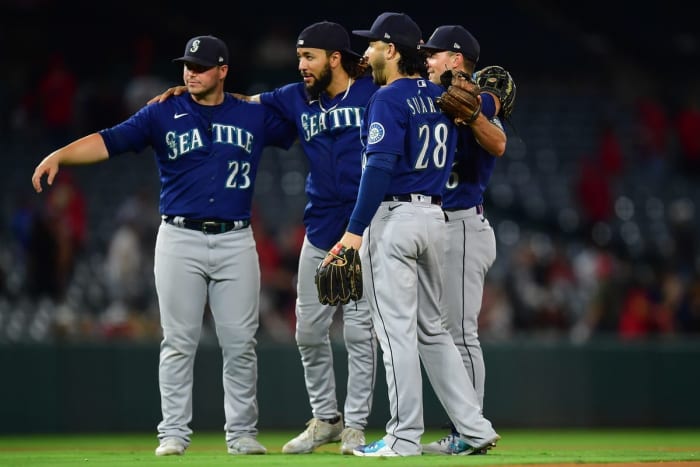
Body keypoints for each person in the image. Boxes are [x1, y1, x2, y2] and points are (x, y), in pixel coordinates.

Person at [31, 35, 296, 457]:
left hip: (235, 239)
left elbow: (302, 113)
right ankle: (172, 432)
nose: (191, 72)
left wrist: (253, 97)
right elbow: (108, 140)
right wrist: (61, 154)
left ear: (223, 70)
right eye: (187, 65)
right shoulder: (163, 112)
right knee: (177, 340)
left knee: (240, 342)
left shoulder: (253, 115)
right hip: (179, 237)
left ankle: (242, 433)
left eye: (202, 66)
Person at [149, 21, 379, 455]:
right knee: (308, 332)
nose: (300, 65)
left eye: (308, 56)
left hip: (364, 231)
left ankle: (356, 425)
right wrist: (189, 93)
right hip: (320, 231)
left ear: (334, 58)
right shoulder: (294, 96)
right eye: (299, 57)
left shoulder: (373, 94)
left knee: (358, 333)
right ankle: (327, 419)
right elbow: (240, 103)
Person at [324, 12, 500, 457]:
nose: (365, 53)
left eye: (372, 45)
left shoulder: (388, 98)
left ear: (392, 50)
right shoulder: (440, 97)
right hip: (436, 218)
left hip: (395, 218)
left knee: (395, 332)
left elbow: (380, 166)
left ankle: (403, 437)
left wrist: (353, 232)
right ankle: (475, 428)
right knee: (434, 332)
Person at [419, 25, 508, 454]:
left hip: (463, 224)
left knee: (459, 333)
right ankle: (466, 428)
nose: (427, 59)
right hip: (435, 224)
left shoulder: (479, 100)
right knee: (437, 331)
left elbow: (497, 136)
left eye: (434, 54)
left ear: (456, 60)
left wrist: (475, 111)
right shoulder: (424, 98)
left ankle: (471, 432)